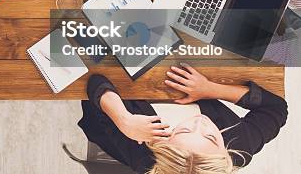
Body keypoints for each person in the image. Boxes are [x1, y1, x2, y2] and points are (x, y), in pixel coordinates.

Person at [78, 65, 287, 173]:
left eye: (184, 131)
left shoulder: (141, 150)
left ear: (164, 143)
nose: (200, 123)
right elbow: (276, 108)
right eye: (211, 137)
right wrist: (210, 89)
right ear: (225, 154)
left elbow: (94, 82)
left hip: (123, 79)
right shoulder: (240, 146)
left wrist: (124, 120)